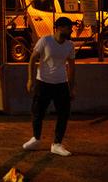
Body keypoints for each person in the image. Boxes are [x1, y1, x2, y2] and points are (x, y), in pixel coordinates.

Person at [23, 17, 76, 156]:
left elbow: (71, 67)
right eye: (69, 27)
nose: (71, 30)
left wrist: (72, 87)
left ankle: (57, 144)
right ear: (59, 28)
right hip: (43, 82)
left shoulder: (70, 45)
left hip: (61, 84)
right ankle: (36, 139)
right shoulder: (45, 41)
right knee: (37, 113)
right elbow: (32, 59)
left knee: (64, 114)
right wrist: (30, 79)